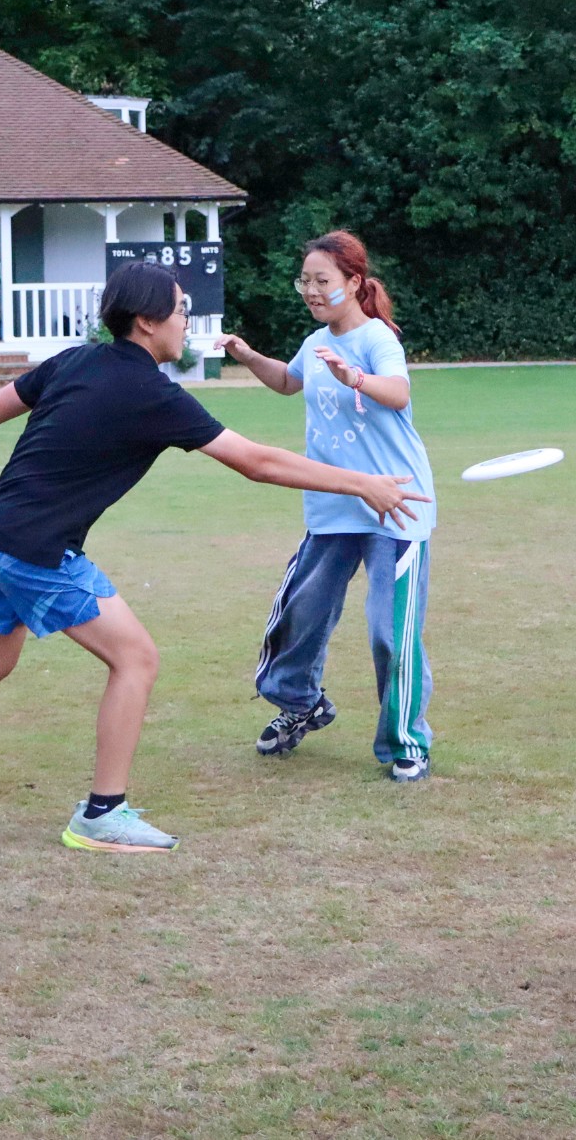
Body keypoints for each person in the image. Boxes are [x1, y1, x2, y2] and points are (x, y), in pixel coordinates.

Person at [0, 262, 427, 852]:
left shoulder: (76, 360)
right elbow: (257, 462)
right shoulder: (153, 394)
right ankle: (102, 814)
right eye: (181, 311)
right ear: (147, 322)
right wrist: (362, 483)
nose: (187, 322)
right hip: (36, 551)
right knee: (135, 659)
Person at [216, 231, 439, 782]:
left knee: (390, 632)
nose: (312, 291)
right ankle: (301, 703)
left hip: (394, 504)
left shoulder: (377, 338)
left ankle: (407, 740)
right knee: (301, 615)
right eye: (305, 281)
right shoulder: (316, 341)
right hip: (333, 503)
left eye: (323, 281)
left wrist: (354, 376)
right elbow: (289, 381)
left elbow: (398, 391)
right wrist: (248, 356)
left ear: (354, 282)